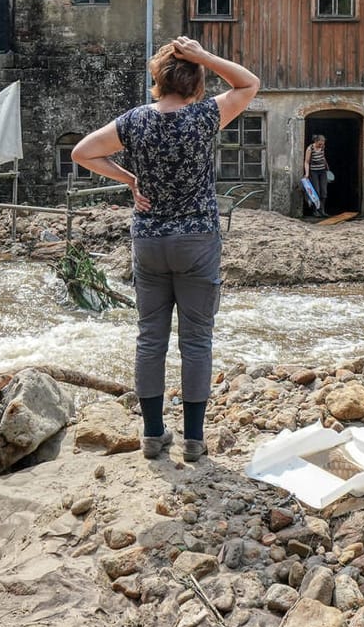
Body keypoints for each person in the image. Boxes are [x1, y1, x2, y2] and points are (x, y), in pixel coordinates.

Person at [71, 36, 260, 463]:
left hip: (150, 240)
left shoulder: (135, 121)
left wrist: (129, 179)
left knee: (150, 338)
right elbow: (249, 84)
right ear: (196, 81)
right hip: (197, 239)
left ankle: (153, 436)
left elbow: (82, 152)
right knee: (196, 341)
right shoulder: (205, 115)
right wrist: (205, 55)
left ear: (158, 80)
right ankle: (194, 440)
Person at [303, 134, 329, 217]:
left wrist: (327, 167)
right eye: (319, 144)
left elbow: (323, 157)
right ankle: (315, 210)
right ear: (315, 141)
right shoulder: (310, 148)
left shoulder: (322, 147)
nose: (321, 145)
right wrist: (307, 173)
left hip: (322, 171)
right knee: (316, 191)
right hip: (314, 171)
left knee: (324, 191)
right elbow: (306, 162)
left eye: (322, 144)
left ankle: (322, 210)